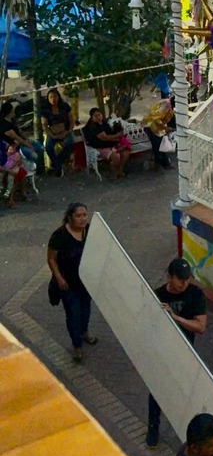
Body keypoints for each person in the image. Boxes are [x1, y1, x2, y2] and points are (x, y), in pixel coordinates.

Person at [149, 258, 209, 447]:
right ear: (169, 277)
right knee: (156, 390)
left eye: (187, 278)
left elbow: (200, 326)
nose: (184, 283)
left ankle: (188, 434)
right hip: (163, 350)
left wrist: (175, 318)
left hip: (185, 352)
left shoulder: (195, 294)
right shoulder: (157, 295)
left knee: (184, 393)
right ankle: (153, 428)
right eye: (180, 279)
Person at [46, 202, 93, 362]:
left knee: (85, 309)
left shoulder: (90, 231)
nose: (82, 219)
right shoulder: (59, 235)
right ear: (70, 218)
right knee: (73, 313)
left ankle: (84, 332)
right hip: (68, 283)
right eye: (78, 216)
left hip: (86, 281)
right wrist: (59, 278)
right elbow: (51, 259)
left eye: (84, 215)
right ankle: (77, 345)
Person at [82, 106, 129, 179]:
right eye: (96, 116)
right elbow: (105, 137)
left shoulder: (104, 123)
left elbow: (111, 133)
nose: (98, 117)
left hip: (111, 145)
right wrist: (117, 135)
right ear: (92, 117)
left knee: (125, 153)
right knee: (116, 157)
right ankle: (113, 173)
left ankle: (120, 170)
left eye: (99, 115)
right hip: (100, 147)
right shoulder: (93, 127)